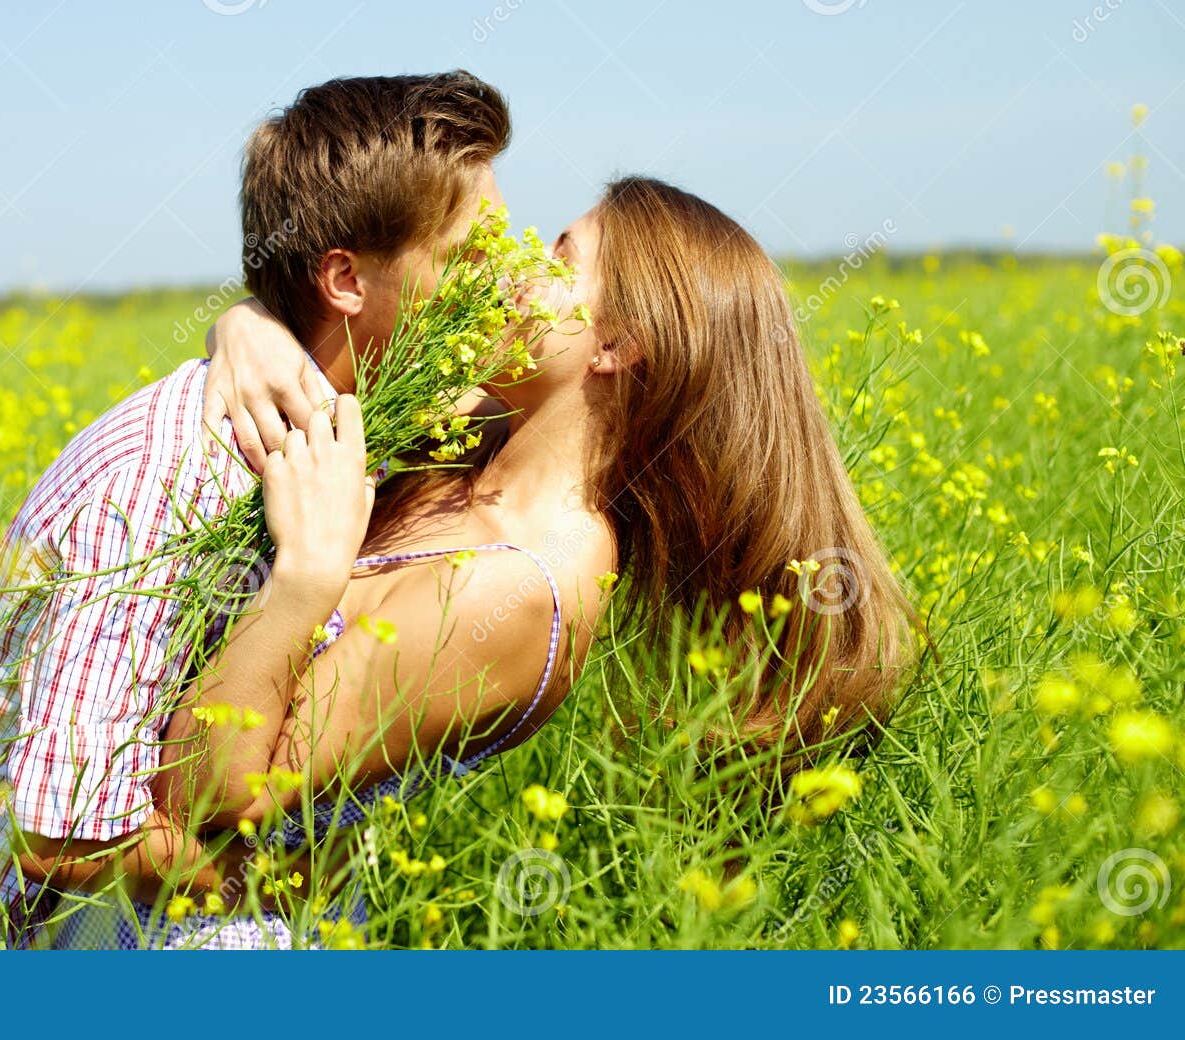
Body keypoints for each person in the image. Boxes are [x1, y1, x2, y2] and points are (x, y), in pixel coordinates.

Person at [49, 175, 918, 948]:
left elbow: (207, 790)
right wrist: (246, 327)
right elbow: (327, 340)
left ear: (612, 342)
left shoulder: (519, 586)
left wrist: (303, 585)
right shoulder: (475, 442)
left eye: (554, 255)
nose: (505, 269)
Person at [0, 69, 513, 949]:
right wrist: (291, 883)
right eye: (469, 259)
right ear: (345, 278)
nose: (503, 285)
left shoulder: (374, 416)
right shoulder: (170, 474)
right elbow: (64, 833)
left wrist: (249, 320)